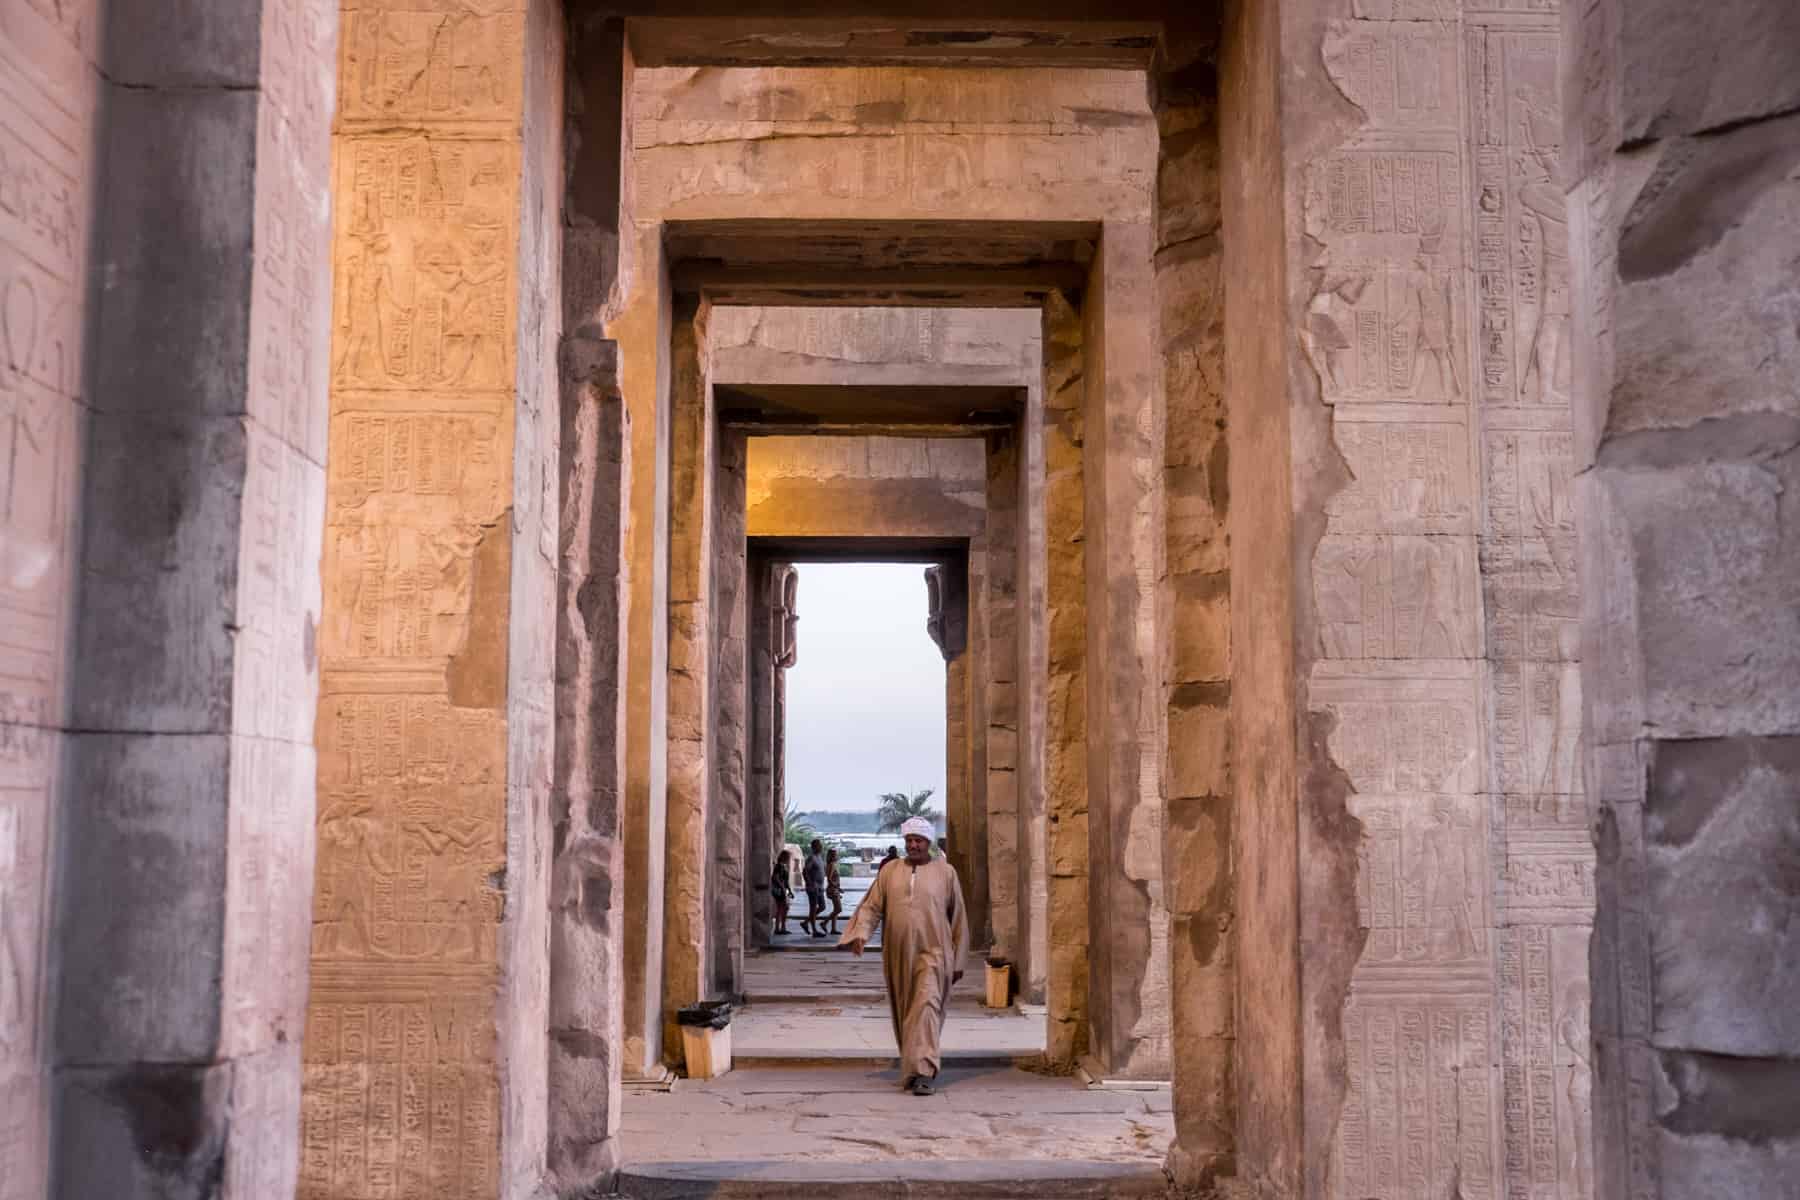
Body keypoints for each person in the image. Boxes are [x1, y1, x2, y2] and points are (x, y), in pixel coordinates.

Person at [839, 818, 969, 1095]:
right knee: (906, 1010)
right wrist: (861, 932)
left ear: (929, 843)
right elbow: (872, 906)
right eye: (909, 840)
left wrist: (958, 961)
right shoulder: (890, 872)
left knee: (926, 1005)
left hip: (935, 952)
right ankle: (913, 1066)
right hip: (898, 953)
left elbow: (958, 918)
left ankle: (924, 1072)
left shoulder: (946, 873)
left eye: (918, 840)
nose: (913, 845)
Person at [801, 838, 828, 938]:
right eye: (819, 845)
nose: (821, 847)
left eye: (821, 845)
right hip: (813, 888)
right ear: (814, 847)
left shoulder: (820, 857)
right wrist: (810, 883)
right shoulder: (811, 858)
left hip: (820, 887)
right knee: (812, 909)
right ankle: (814, 930)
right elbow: (805, 871)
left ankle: (805, 922)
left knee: (822, 907)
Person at [771, 850, 794, 935]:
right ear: (784, 857)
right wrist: (782, 887)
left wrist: (790, 890)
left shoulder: (784, 866)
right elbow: (775, 878)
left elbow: (786, 880)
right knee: (783, 908)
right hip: (780, 890)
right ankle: (779, 928)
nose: (789, 858)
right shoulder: (779, 866)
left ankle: (780, 928)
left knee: (782, 909)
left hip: (782, 889)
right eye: (788, 857)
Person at [824, 848, 844, 935]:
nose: (837, 855)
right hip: (833, 889)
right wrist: (837, 887)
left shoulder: (832, 864)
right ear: (833, 856)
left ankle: (833, 929)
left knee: (836, 909)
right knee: (839, 909)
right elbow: (829, 878)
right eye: (836, 854)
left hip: (834, 889)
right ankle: (824, 923)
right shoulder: (832, 865)